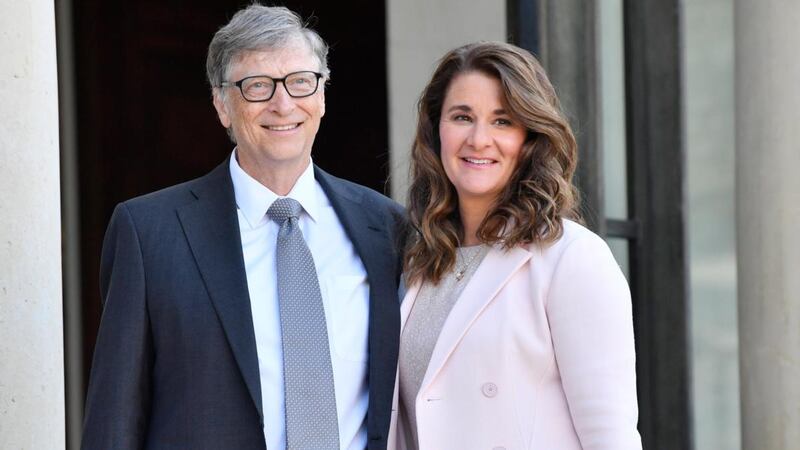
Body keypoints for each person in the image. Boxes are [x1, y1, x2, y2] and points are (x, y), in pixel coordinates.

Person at [81, 5, 404, 450]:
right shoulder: (149, 233)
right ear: (222, 106)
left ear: (322, 96)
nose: (283, 103)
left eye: (300, 81)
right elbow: (113, 421)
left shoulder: (385, 227)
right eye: (257, 86)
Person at [388, 42, 642, 449]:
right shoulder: (420, 260)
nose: (479, 139)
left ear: (529, 138)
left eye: (502, 121)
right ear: (437, 130)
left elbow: (610, 437)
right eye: (462, 117)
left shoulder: (572, 259)